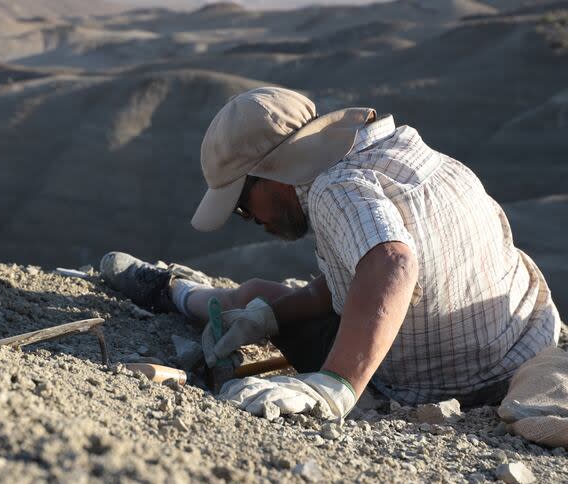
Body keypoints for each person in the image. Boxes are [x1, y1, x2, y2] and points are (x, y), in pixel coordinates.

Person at [101, 87, 561, 420]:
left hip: (445, 381)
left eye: (243, 205)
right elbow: (367, 272)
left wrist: (336, 385)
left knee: (244, 306)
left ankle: (172, 291)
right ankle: (187, 292)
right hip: (523, 342)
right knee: (264, 301)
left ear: (270, 175)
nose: (252, 219)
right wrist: (274, 317)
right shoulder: (407, 154)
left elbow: (392, 263)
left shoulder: (332, 190)